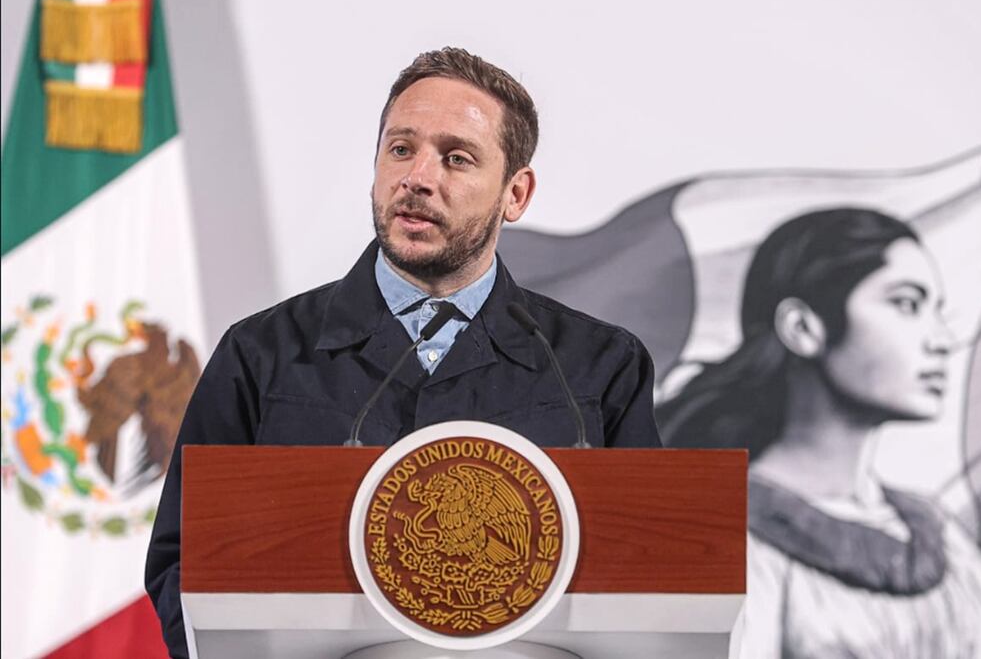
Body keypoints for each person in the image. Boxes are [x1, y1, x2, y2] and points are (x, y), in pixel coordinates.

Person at [145, 48, 661, 657]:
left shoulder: (598, 368)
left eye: (456, 158)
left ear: (515, 194)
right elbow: (184, 564)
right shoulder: (262, 355)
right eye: (400, 148)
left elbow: (651, 578)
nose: (417, 177)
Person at [658, 208, 981, 658]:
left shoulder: (934, 534)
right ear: (803, 328)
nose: (942, 339)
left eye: (937, 311)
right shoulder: (726, 534)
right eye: (906, 304)